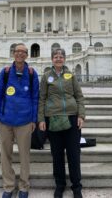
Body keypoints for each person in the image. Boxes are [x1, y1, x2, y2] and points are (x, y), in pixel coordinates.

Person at [0, 43, 39, 198]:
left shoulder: (31, 74)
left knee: (24, 155)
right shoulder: (5, 72)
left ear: (27, 55)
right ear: (13, 54)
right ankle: (9, 186)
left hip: (24, 121)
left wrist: (33, 120)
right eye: (17, 51)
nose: (20, 54)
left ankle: (24, 187)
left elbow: (35, 98)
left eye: (23, 52)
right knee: (5, 156)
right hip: (6, 121)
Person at [38, 48, 85, 198]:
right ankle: (60, 185)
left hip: (72, 117)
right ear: (52, 59)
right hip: (54, 119)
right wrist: (41, 119)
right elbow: (42, 99)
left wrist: (81, 115)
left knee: (74, 154)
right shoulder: (46, 76)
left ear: (64, 59)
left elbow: (79, 96)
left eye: (61, 57)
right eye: (56, 57)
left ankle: (76, 186)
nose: (58, 59)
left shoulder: (70, 75)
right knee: (57, 154)